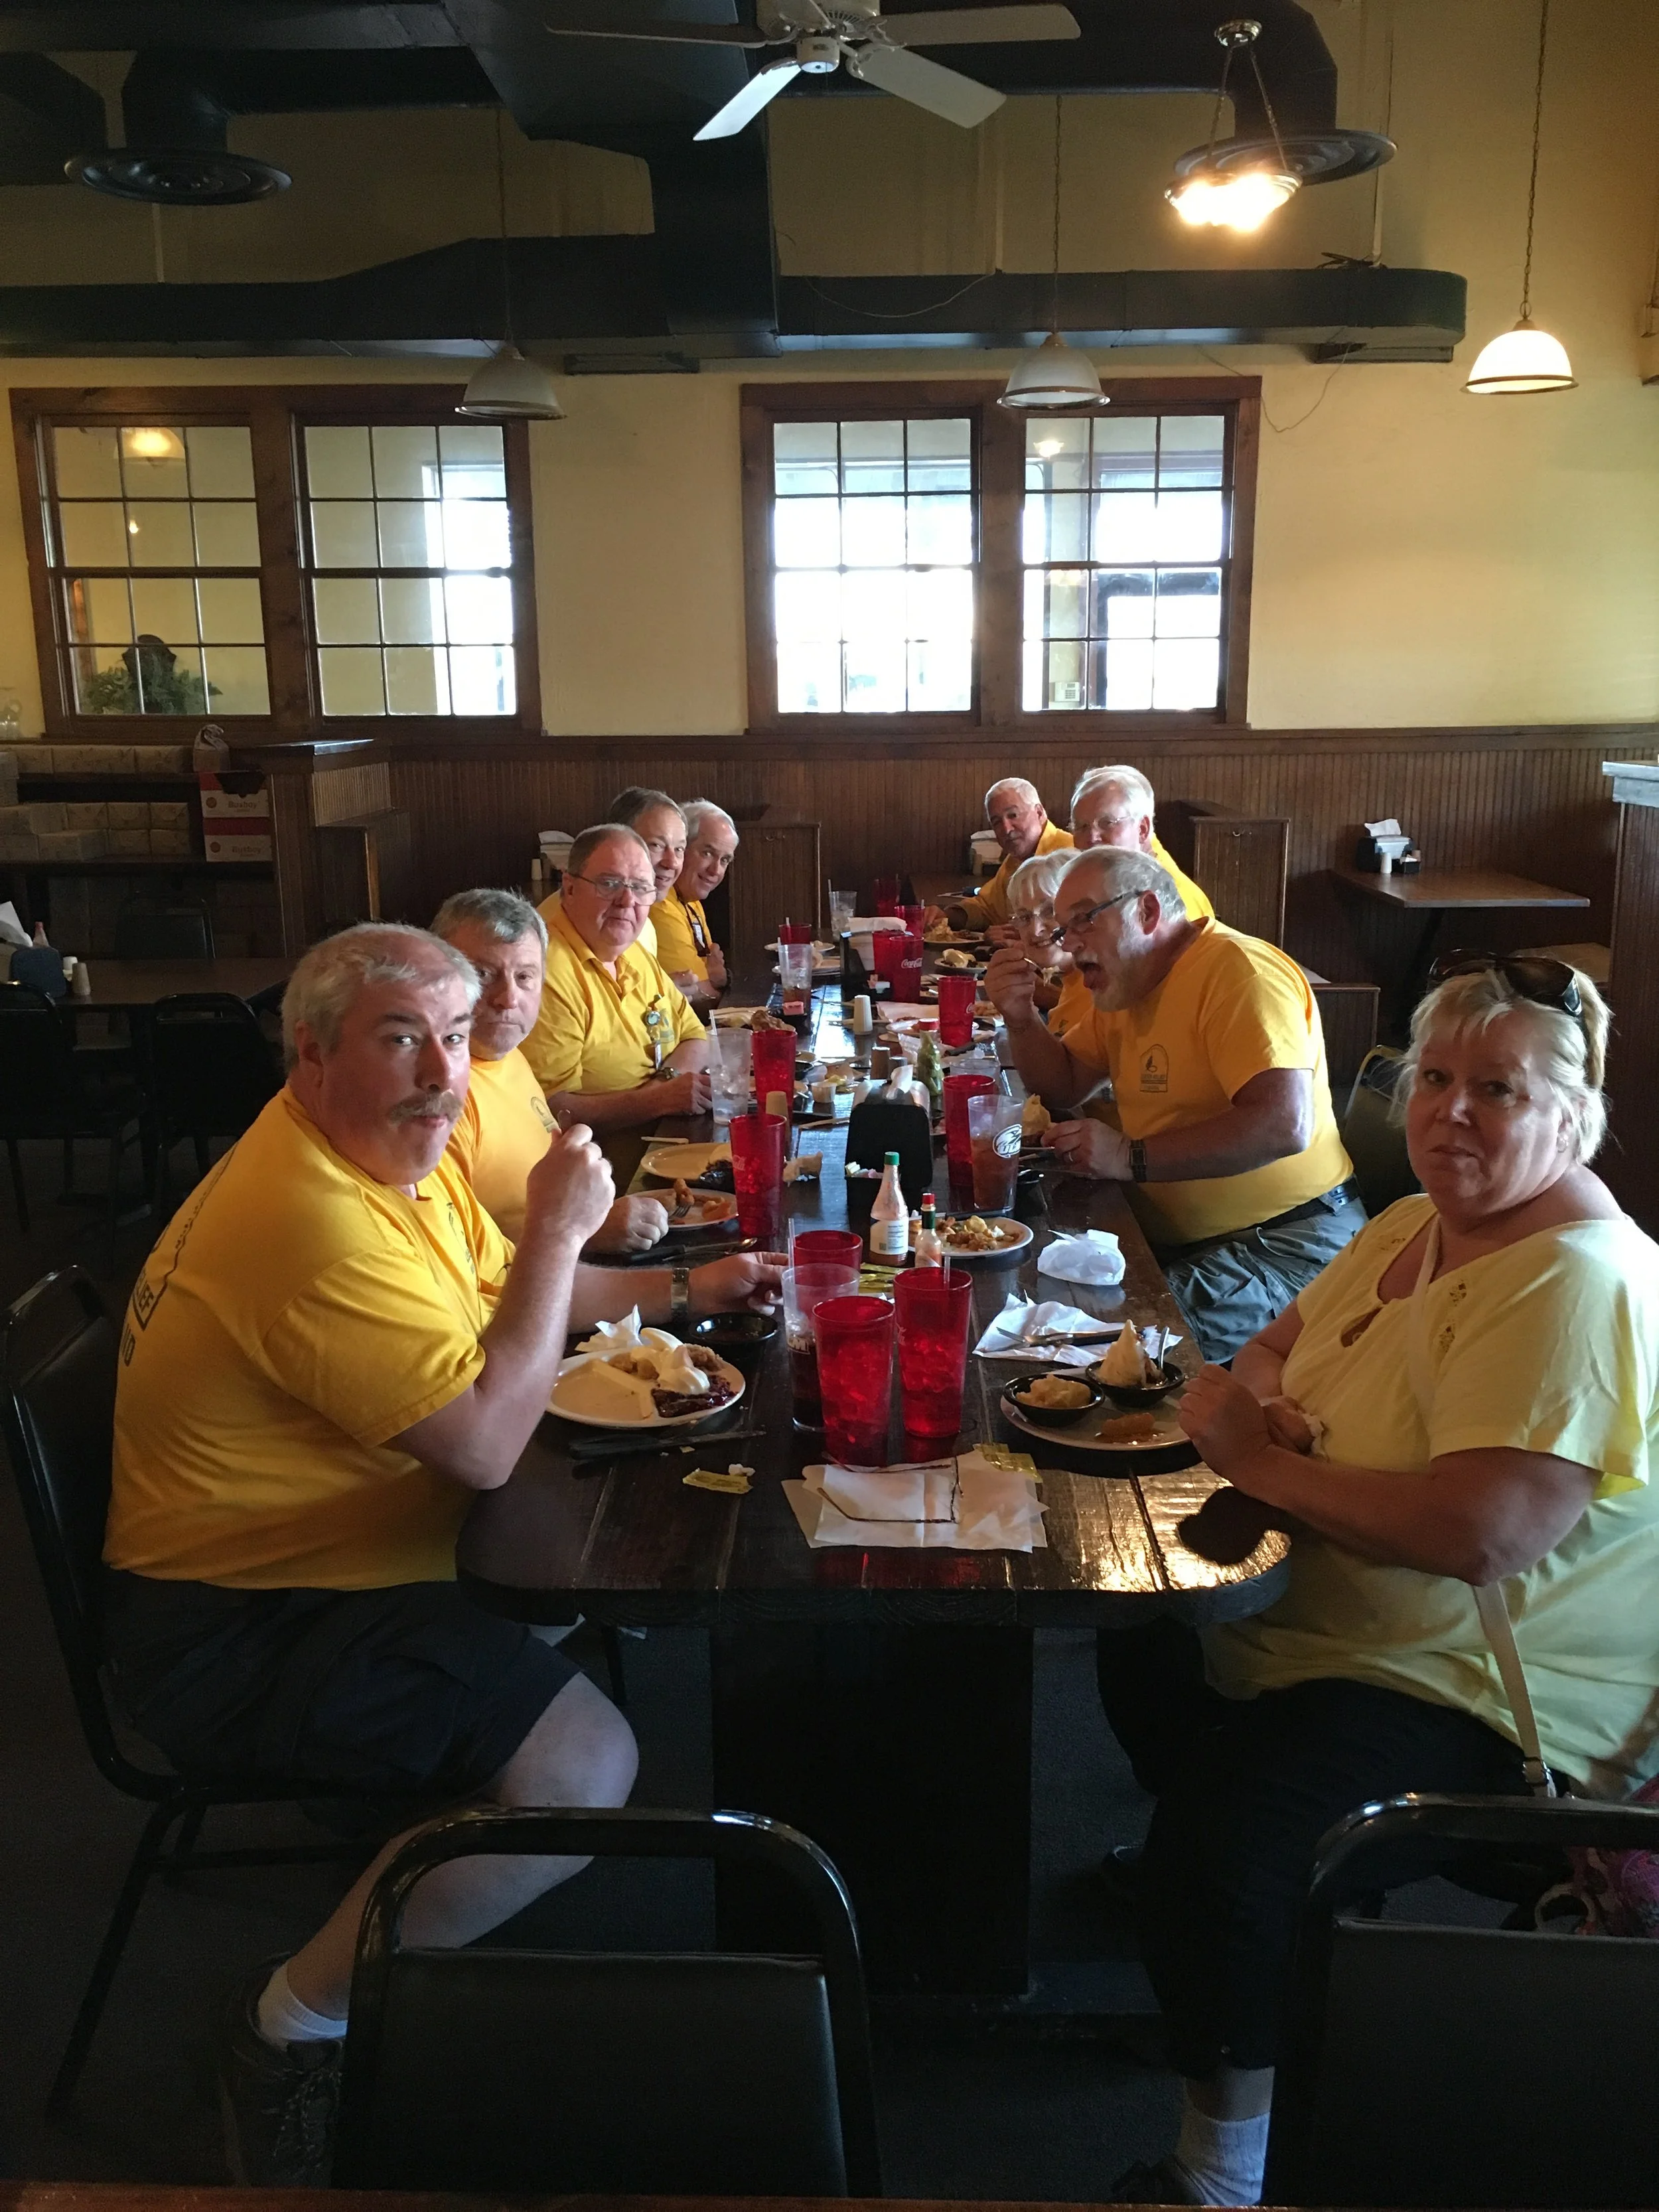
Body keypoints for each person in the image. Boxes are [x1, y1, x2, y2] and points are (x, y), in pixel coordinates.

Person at [1100, 954, 1659, 2207]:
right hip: (1340, 1618)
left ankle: (1224, 2162)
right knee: (1131, 1634)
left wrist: (1259, 1456)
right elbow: (1266, 1344)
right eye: (1435, 1077)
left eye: (1499, 1090)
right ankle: (1239, 1939)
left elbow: (1483, 1531)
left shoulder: (1574, 1278)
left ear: (1579, 1114)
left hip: (1486, 1687)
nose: (1452, 1111)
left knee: (1229, 1840)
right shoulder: (1416, 1222)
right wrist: (1269, 1404)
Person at [100, 924, 635, 2189]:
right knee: (589, 1760)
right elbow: (493, 1444)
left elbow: (517, 1301)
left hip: (332, 1561)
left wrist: (711, 1278)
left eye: (453, 1037)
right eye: (403, 1038)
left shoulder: (392, 1147)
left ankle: (415, 1845)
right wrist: (562, 1236)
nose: (442, 1071)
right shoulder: (307, 1217)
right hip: (231, 1627)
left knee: (580, 1577)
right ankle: (286, 2023)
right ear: (311, 1052)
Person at [987, 847, 1362, 1362]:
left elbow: (1284, 1124)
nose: (1069, 945)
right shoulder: (1126, 986)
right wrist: (1021, 1018)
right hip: (1184, 1241)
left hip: (1289, 1241)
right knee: (1027, 1312)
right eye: (1063, 927)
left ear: (1146, 911)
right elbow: (1064, 1086)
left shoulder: (1236, 972)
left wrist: (1129, 1156)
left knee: (1113, 1356)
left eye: (1084, 922)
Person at [432, 887, 668, 1254]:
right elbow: (458, 1252)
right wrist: (587, 1233)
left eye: (525, 977)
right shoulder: (438, 1094)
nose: (508, 998)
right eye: (483, 974)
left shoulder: (509, 1055)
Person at [522, 823, 711, 1169]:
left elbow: (696, 1036)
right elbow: (554, 1110)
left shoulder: (629, 949)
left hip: (666, 1147)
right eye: (610, 884)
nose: (628, 901)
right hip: (605, 1178)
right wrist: (656, 1101)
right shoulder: (546, 971)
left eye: (641, 887)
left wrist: (665, 1086)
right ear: (570, 887)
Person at [928, 777, 1072, 943]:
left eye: (1013, 815)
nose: (1006, 828)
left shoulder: (1068, 855)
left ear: (1039, 813)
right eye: (997, 822)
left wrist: (1024, 938)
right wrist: (946, 917)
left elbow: (1076, 928)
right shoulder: (1015, 861)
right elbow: (986, 907)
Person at [652, 798, 738, 1011]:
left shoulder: (692, 899)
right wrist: (717, 982)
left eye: (725, 860)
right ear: (681, 848)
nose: (716, 871)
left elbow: (711, 982)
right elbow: (702, 997)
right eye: (707, 853)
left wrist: (720, 978)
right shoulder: (660, 903)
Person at [605, 786, 687, 963]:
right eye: (656, 845)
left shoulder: (646, 927)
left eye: (679, 849)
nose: (672, 862)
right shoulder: (596, 916)